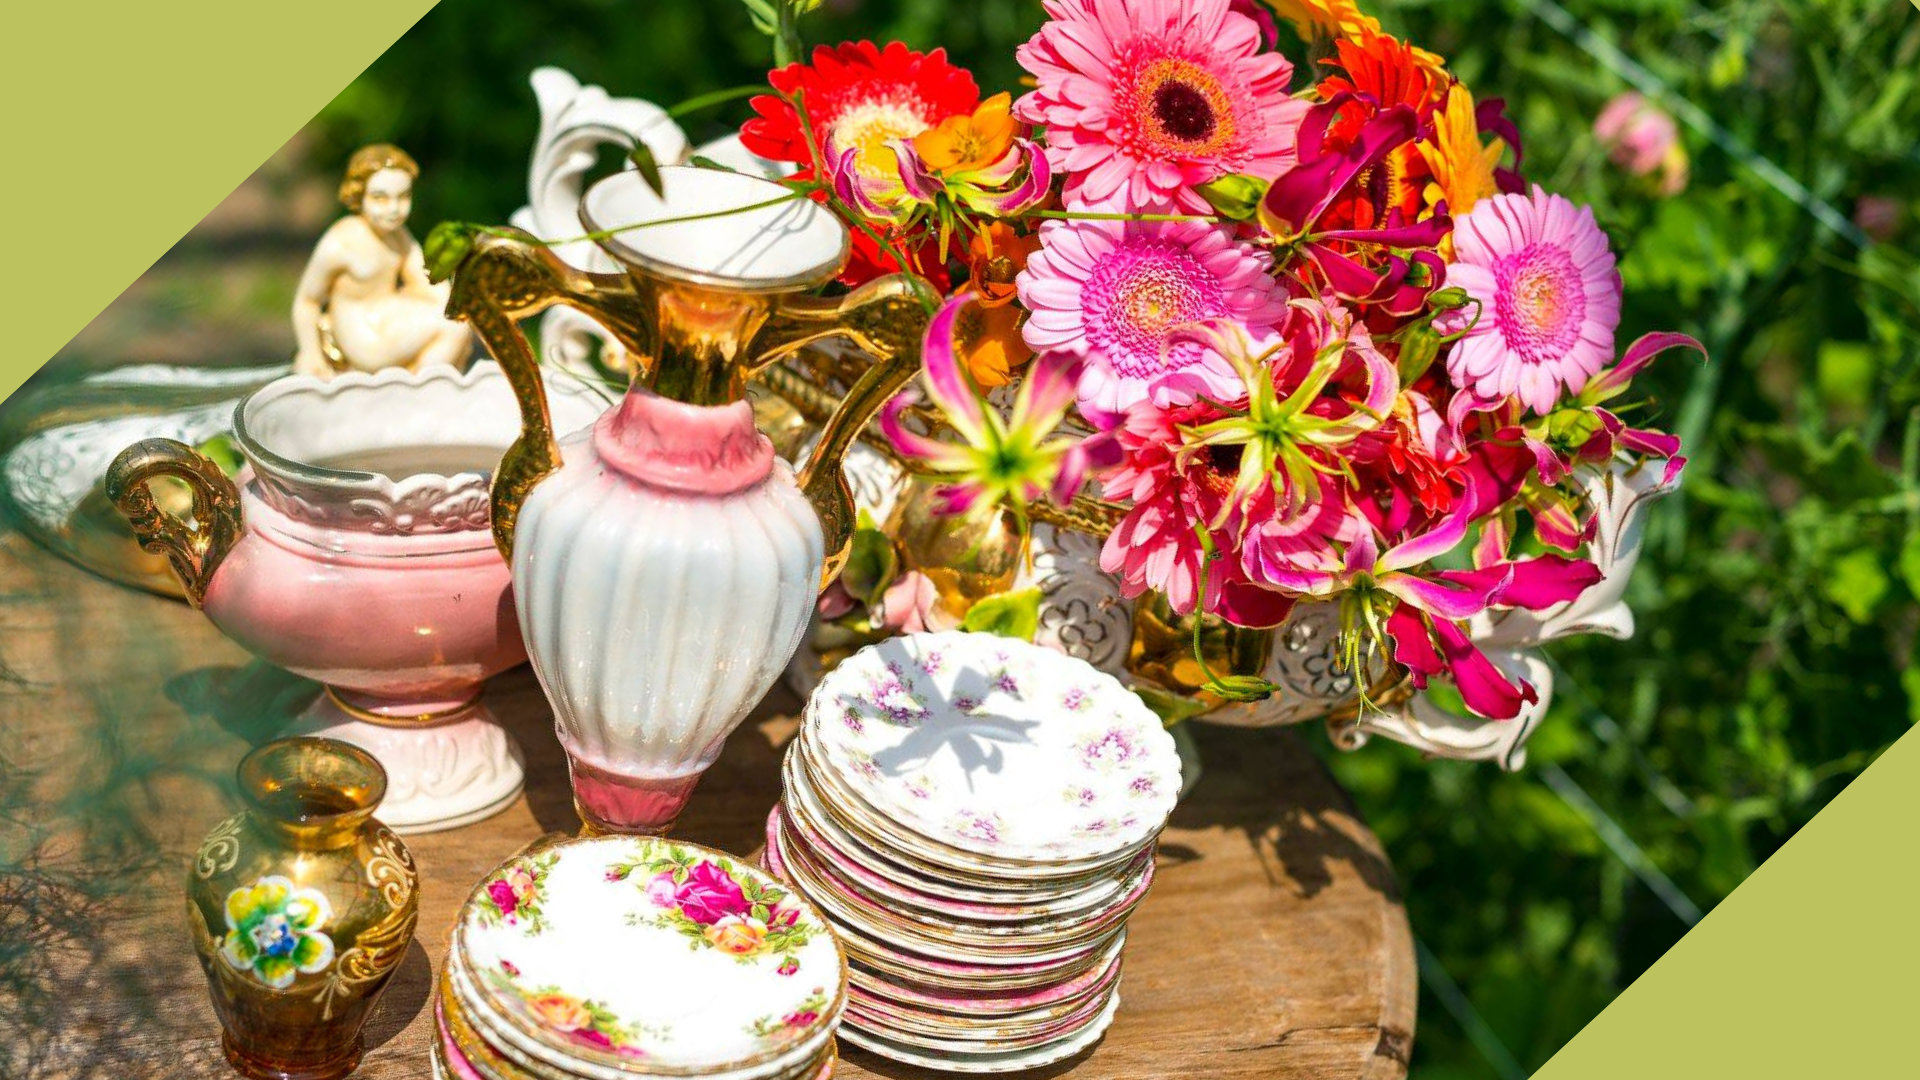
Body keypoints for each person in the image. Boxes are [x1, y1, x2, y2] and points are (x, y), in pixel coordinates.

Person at [291, 144, 472, 377]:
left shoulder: (398, 235)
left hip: (388, 316)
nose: (394, 209)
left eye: (403, 197)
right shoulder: (342, 243)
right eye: (380, 198)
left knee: (457, 319)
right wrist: (311, 354)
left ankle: (421, 383)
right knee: (452, 326)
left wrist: (456, 304)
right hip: (364, 336)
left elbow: (425, 280)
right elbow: (306, 301)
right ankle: (419, 389)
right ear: (358, 195)